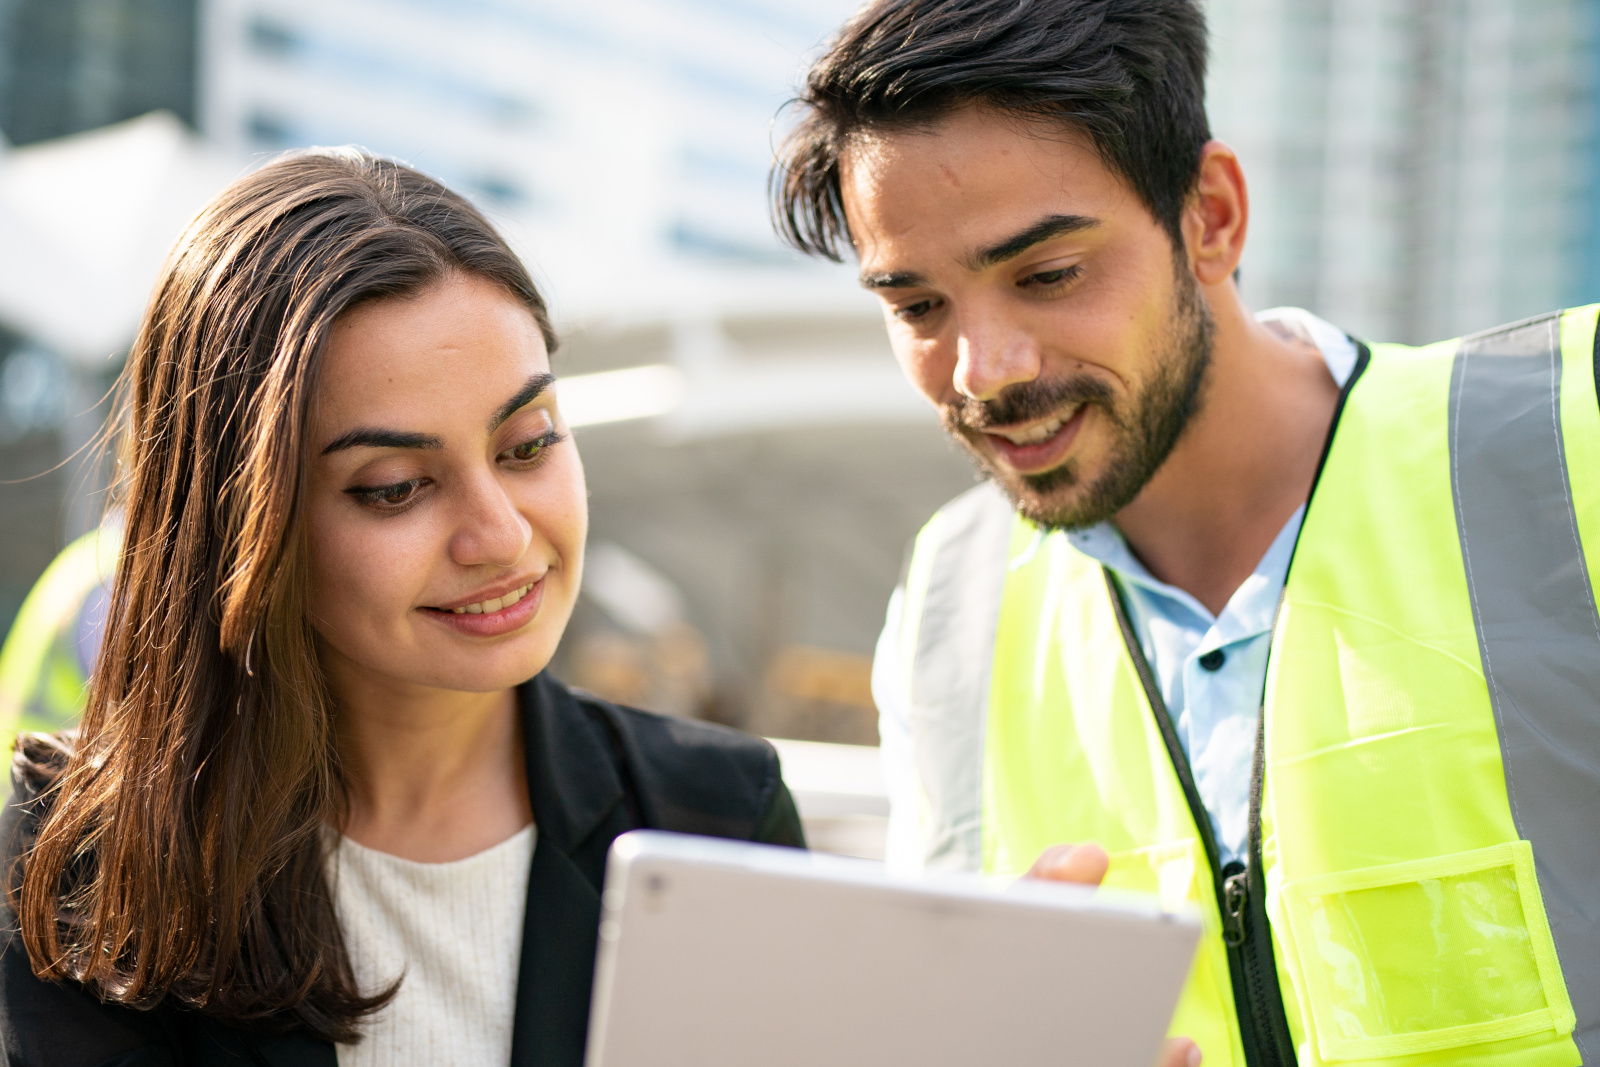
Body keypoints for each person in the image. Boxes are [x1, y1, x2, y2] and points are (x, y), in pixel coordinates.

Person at [771, 2, 1600, 1067]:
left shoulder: (1566, 430)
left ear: (1209, 217)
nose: (985, 369)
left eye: (1047, 274)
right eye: (919, 306)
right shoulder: (949, 597)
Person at [0, 148, 803, 1067]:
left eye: (528, 444)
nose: (499, 536)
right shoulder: (86, 864)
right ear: (241, 523)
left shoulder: (718, 816)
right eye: (394, 487)